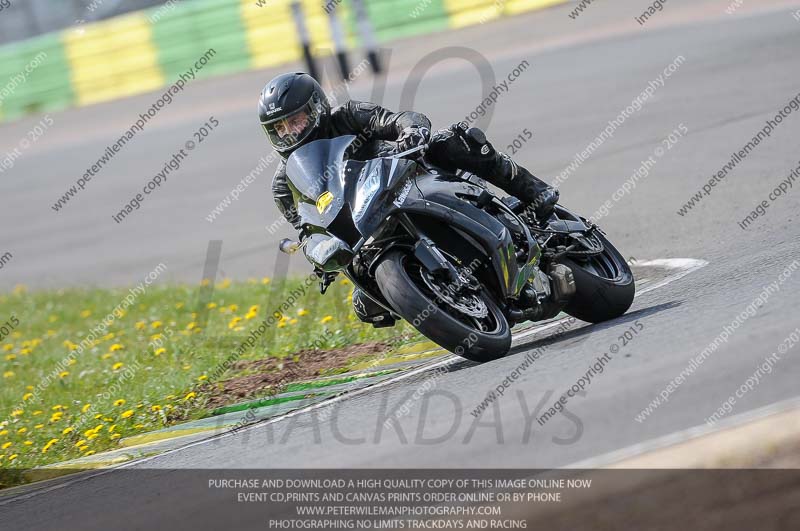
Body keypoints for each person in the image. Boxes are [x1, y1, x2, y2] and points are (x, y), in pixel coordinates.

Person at [261, 72, 558, 325]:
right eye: (280, 128)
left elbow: (397, 119)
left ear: (316, 109)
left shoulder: (348, 115)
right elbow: (307, 225)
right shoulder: (283, 185)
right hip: (363, 229)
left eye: (295, 121)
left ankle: (533, 192)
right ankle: (442, 301)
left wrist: (412, 132)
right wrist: (315, 251)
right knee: (365, 306)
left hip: (407, 179)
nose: (289, 132)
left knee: (455, 140)